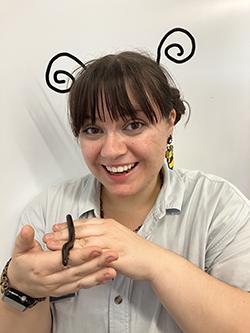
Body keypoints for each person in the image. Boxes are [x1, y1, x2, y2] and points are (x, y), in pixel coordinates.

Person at [1, 51, 250, 333]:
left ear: (170, 122)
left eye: (133, 125)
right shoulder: (49, 211)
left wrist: (155, 262)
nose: (111, 150)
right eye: (93, 129)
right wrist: (21, 289)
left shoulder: (219, 207)